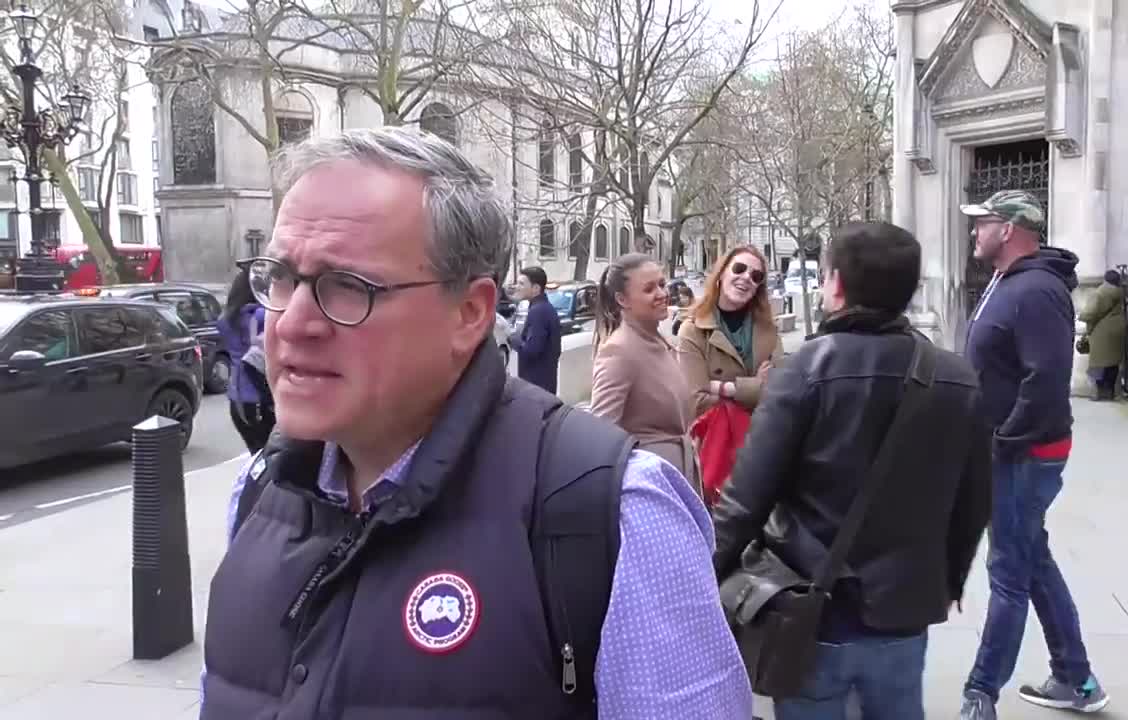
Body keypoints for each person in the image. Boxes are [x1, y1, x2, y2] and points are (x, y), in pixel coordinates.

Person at [201, 126, 750, 719]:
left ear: (469, 313)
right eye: (281, 277)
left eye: (348, 287)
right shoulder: (258, 494)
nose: (290, 323)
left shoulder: (617, 513)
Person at [712, 222, 992, 720]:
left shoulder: (805, 371)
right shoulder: (957, 377)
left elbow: (746, 500)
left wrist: (703, 576)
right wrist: (950, 580)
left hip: (813, 609)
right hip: (904, 611)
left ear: (837, 283)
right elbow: (974, 501)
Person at [958, 190, 1109, 718]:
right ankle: (1076, 678)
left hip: (1023, 455)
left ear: (1009, 229)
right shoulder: (1007, 281)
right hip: (1010, 451)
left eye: (983, 222)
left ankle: (980, 693)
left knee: (1009, 574)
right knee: (1031, 559)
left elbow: (1045, 381)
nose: (974, 231)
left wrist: (1003, 442)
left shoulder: (1038, 290)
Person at [590, 253, 700, 494]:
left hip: (677, 478)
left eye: (661, 284)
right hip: (650, 488)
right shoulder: (618, 351)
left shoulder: (661, 341)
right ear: (622, 299)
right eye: (649, 289)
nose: (662, 293)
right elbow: (600, 434)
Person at [677, 245, 782, 419]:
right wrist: (753, 387)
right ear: (721, 273)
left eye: (756, 276)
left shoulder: (769, 330)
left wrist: (721, 388)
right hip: (716, 434)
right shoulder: (693, 330)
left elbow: (779, 392)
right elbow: (696, 403)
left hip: (764, 432)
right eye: (739, 268)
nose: (746, 277)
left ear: (758, 288)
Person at [215, 269, 274, 453]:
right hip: (260, 395)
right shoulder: (261, 315)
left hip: (236, 397)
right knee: (272, 455)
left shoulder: (225, 320)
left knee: (255, 453)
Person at [510, 265, 561, 394]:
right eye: (517, 283)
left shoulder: (538, 311)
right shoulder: (545, 308)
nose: (517, 287)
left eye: (521, 284)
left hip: (536, 386)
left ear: (536, 288)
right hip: (544, 385)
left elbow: (532, 350)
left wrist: (512, 337)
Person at [1079, 270, 1126, 401]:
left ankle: (1098, 393)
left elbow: (1091, 312)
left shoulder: (1100, 293)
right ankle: (1111, 392)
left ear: (1105, 279)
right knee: (1113, 362)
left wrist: (1082, 316)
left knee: (1098, 362)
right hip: (1117, 327)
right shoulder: (1119, 292)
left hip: (1102, 330)